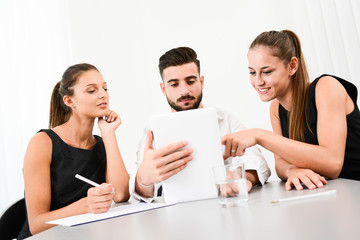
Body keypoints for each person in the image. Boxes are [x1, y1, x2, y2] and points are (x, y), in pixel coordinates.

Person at [222, 30, 360, 191]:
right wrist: (292, 170)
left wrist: (259, 135)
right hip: (332, 193)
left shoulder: (326, 87)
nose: (258, 81)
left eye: (267, 72)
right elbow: (281, 163)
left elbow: (332, 163)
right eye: (252, 72)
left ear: (292, 66)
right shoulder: (276, 108)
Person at [129, 47, 270, 202]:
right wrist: (144, 178)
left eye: (190, 81)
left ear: (201, 82)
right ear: (163, 89)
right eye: (174, 84)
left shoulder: (226, 120)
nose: (184, 91)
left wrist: (239, 178)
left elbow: (257, 162)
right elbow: (141, 193)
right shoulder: (152, 132)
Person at [18, 63, 130, 239]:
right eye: (91, 90)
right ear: (69, 101)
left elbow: (121, 194)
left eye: (105, 88)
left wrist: (109, 134)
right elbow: (36, 224)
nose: (103, 95)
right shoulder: (42, 143)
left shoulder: (101, 144)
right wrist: (85, 206)